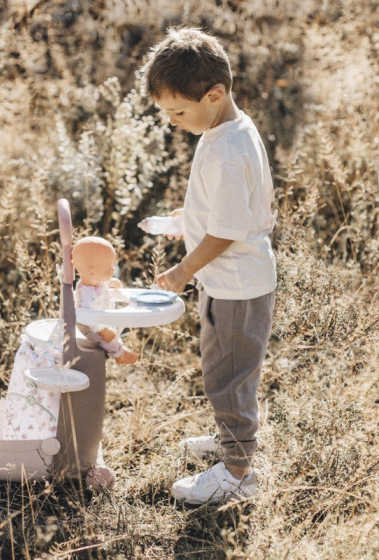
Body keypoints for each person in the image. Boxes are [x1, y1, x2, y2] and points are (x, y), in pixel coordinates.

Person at [140, 27, 276, 504]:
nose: (174, 121)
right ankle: (228, 443)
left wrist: (181, 271)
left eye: (178, 111)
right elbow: (228, 209)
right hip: (229, 280)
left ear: (214, 95)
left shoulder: (225, 149)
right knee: (221, 367)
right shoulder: (229, 127)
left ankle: (237, 474)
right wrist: (186, 220)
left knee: (229, 376)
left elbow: (226, 231)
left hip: (236, 285)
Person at [72, 236, 139, 365]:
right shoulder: (87, 293)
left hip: (101, 320)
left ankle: (121, 350)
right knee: (108, 338)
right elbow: (89, 316)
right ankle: (120, 355)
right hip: (90, 328)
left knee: (113, 335)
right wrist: (102, 330)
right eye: (108, 267)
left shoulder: (94, 280)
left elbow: (101, 281)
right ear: (92, 271)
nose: (113, 270)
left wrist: (111, 281)